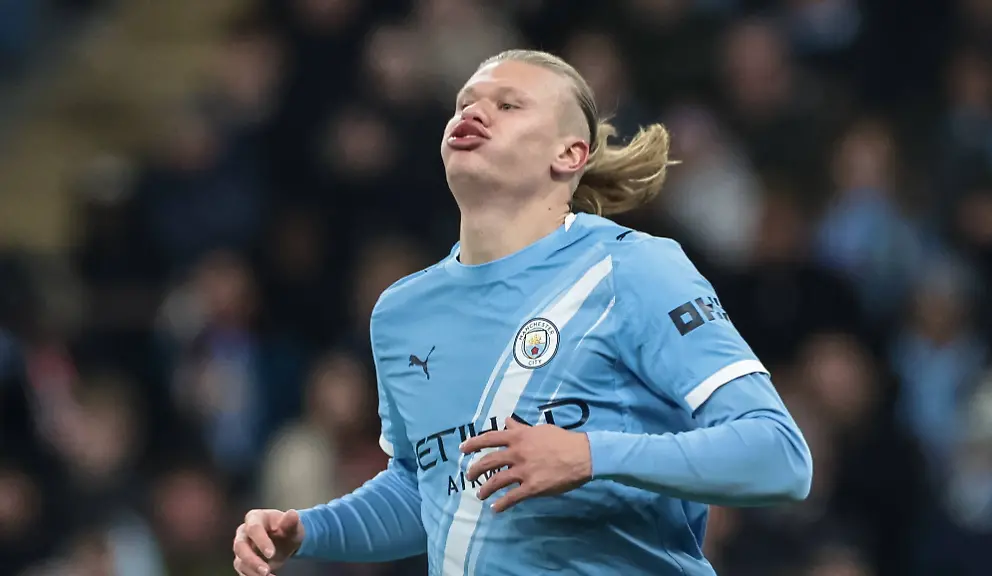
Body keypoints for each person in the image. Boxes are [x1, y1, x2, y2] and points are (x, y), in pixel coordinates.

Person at [232, 49, 812, 576]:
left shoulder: (631, 270)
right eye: (465, 103)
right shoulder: (401, 313)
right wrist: (310, 530)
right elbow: (429, 491)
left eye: (508, 105)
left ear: (569, 153)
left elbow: (779, 456)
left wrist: (588, 455)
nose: (475, 111)